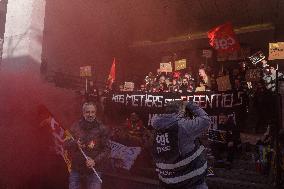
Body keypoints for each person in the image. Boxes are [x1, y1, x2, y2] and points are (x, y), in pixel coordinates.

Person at [152, 101, 211, 189]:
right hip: (190, 179)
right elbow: (206, 121)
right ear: (180, 111)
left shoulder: (157, 127)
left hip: (166, 179)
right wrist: (191, 105)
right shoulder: (184, 126)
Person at [64, 102, 110, 189]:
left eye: (93, 112)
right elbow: (65, 143)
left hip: (94, 170)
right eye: (87, 112)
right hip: (76, 169)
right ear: (83, 113)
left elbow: (107, 149)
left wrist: (94, 161)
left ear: (95, 113)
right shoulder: (75, 126)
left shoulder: (102, 128)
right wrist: (75, 143)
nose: (90, 115)